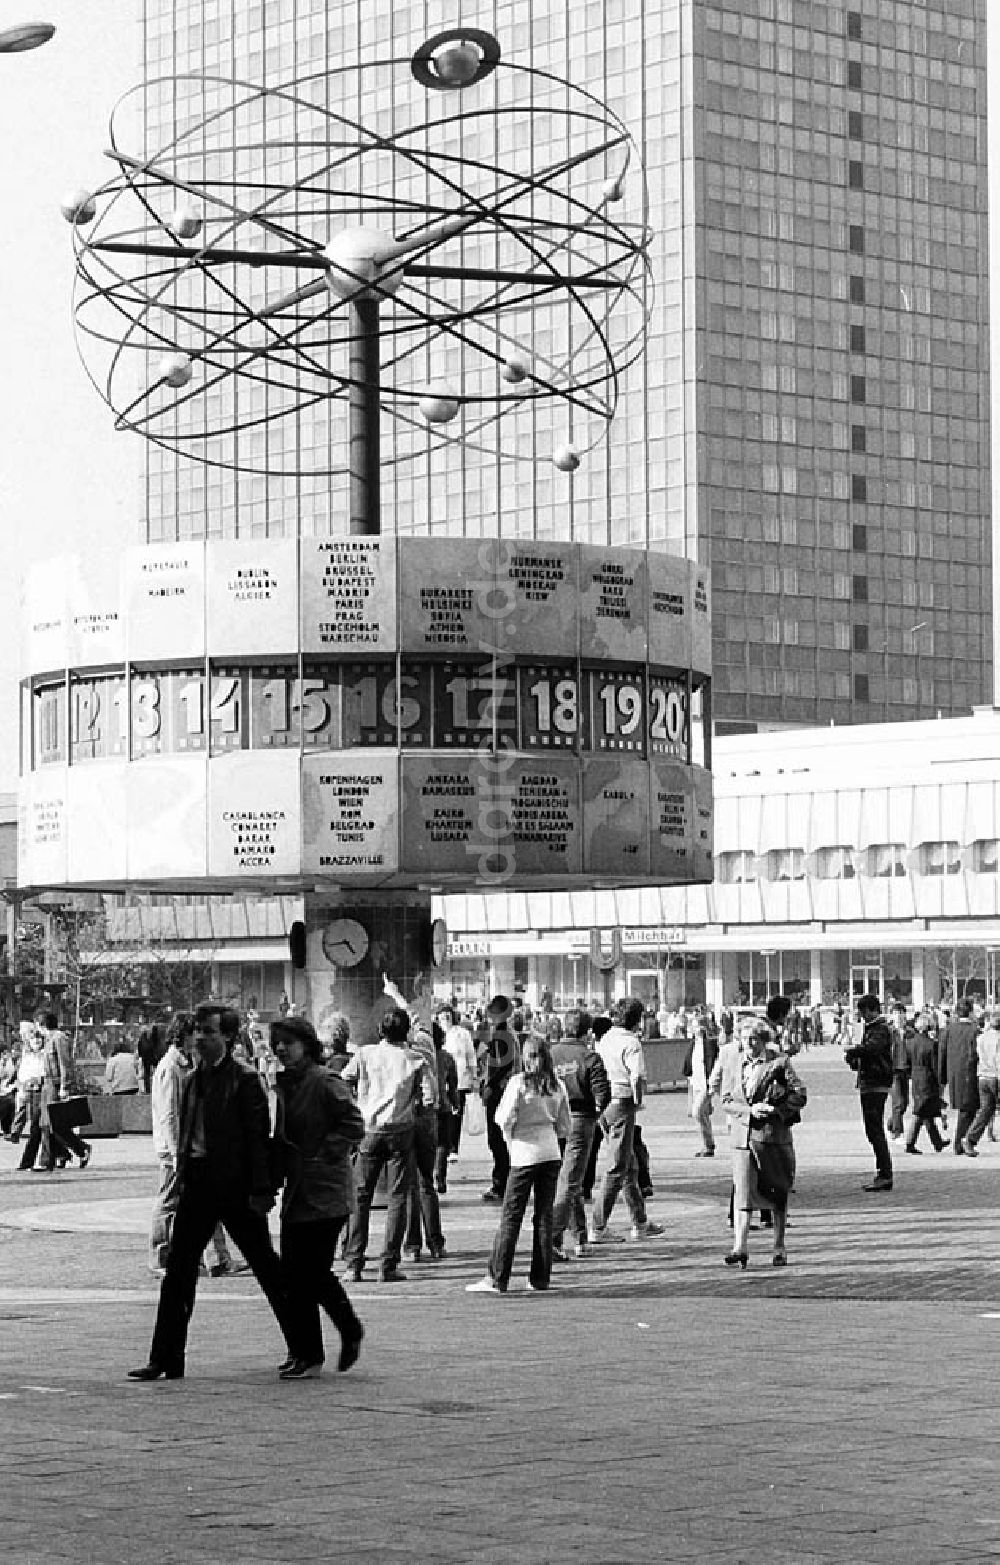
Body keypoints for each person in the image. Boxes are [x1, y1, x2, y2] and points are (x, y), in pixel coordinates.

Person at [127, 1003, 299, 1382]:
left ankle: (302, 1345)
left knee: (267, 1266)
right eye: (198, 1031)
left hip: (236, 1186)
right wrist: (183, 1173)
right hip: (199, 1182)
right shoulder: (191, 1079)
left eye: (209, 1031)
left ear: (228, 1037)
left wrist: (261, 1189)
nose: (200, 1037)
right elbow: (187, 1133)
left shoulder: (244, 1079)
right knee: (178, 1272)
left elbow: (258, 1140)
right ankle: (165, 1357)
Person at [270, 1015, 365, 1379]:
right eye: (277, 1042)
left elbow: (353, 1123)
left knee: (309, 1272)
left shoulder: (324, 1081)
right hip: (297, 1191)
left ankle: (339, 1332)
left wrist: (326, 1151)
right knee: (296, 1276)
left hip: (326, 1192)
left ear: (306, 1045)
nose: (281, 1049)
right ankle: (307, 1350)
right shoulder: (284, 1084)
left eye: (288, 1042)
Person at [466, 1036, 571, 1295]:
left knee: (511, 1216)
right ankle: (540, 1277)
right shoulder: (557, 1085)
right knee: (544, 1216)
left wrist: (511, 1138)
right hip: (550, 1151)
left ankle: (497, 1276)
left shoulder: (519, 1083)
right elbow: (565, 1125)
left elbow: (502, 1117)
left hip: (524, 1153)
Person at [340, 1007, 426, 1284]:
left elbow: (344, 1079)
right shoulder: (414, 1059)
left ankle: (353, 1262)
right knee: (398, 1197)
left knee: (360, 1196)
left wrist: (357, 1102)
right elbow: (429, 1097)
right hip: (401, 1130)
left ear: (381, 1031)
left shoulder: (365, 1054)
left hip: (368, 1129)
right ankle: (388, 1264)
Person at [722, 1023, 806, 1268]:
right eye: (745, 1038)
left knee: (777, 1191)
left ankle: (779, 1246)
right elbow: (726, 1100)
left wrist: (776, 1109)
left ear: (763, 1039)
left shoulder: (779, 1062)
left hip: (772, 1137)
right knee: (743, 1192)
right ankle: (740, 1246)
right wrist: (749, 1110)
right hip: (742, 1139)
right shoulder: (734, 1063)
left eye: (754, 1039)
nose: (749, 1043)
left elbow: (800, 1094)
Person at [588, 997, 664, 1244]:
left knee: (628, 1165)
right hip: (622, 1101)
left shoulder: (605, 1038)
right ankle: (598, 1226)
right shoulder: (631, 1042)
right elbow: (638, 1076)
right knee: (617, 1167)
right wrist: (639, 1100)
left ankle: (640, 1221)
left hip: (604, 1104)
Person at [550, 1009, 610, 1262]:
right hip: (580, 1118)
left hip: (553, 1117)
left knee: (566, 1178)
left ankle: (580, 1237)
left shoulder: (550, 1054)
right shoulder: (590, 1057)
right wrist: (597, 1112)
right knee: (571, 1181)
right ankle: (551, 1237)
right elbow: (602, 1094)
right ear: (587, 1031)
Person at [845, 993, 895, 1193]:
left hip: (876, 1082)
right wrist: (854, 1059)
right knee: (872, 1129)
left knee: (874, 1129)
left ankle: (885, 1174)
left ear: (872, 1010)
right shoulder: (872, 1028)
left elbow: (872, 1050)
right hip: (870, 1081)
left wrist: (854, 1050)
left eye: (864, 1012)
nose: (862, 1016)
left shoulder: (880, 1029)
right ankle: (883, 1172)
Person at [476, 995, 519, 1203]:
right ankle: (505, 1181)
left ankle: (501, 1184)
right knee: (502, 1138)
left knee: (497, 1139)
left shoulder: (502, 1035)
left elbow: (501, 1066)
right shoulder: (505, 1033)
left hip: (500, 1091)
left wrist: (489, 1086)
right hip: (506, 1089)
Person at [438, 1005, 477, 1168]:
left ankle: (454, 1148)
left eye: (448, 1015)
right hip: (442, 1080)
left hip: (460, 1079)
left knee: (456, 1114)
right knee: (443, 1115)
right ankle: (443, 1147)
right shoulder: (436, 1033)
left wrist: (474, 1076)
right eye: (442, 1016)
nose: (445, 1018)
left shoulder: (462, 1034)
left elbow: (471, 1056)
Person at [939, 998, 980, 1154]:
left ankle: (962, 1141)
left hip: (954, 1073)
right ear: (970, 1012)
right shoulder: (974, 1030)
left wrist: (942, 1077)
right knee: (968, 1109)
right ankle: (960, 1142)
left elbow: (941, 1053)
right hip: (970, 1073)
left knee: (966, 1109)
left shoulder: (948, 1030)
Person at [905, 1013, 947, 1154]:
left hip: (916, 1077)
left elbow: (907, 1062)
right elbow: (935, 1066)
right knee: (921, 1111)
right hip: (927, 1079)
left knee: (926, 1111)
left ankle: (937, 1142)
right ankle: (910, 1143)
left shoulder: (910, 1043)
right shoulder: (931, 1045)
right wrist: (940, 1081)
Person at [962, 1008, 1000, 1157]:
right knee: (987, 1110)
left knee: (985, 1111)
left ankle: (970, 1139)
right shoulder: (998, 1038)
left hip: (983, 1076)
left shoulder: (982, 1037)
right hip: (995, 1076)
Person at [683, 1008, 719, 1157]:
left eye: (696, 1025)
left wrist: (713, 1083)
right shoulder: (693, 1044)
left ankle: (709, 1143)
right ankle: (707, 1145)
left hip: (706, 1083)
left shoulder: (710, 1043)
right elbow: (689, 1064)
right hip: (695, 1082)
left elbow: (713, 1062)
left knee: (698, 1112)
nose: (693, 1028)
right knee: (700, 1113)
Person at [432, 1023, 461, 1195]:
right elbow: (453, 1085)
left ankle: (427, 1176)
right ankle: (440, 1176)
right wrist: (456, 1103)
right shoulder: (447, 1058)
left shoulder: (420, 1056)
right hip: (444, 1105)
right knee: (443, 1143)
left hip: (425, 1107)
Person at [887, 1004, 913, 1139]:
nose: (899, 1016)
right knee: (898, 1102)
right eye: (896, 1013)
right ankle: (897, 1133)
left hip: (905, 1070)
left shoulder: (910, 1032)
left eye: (901, 1013)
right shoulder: (889, 1032)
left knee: (905, 1103)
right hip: (893, 1071)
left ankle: (892, 1123)